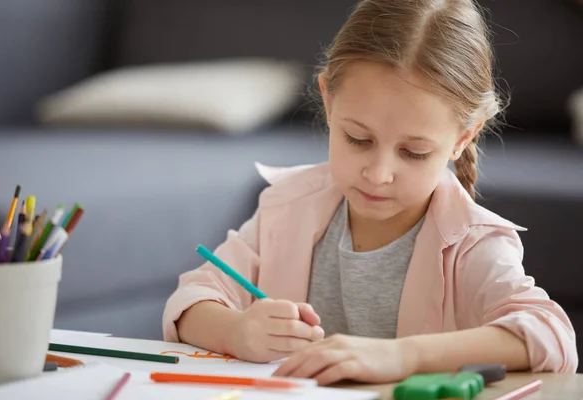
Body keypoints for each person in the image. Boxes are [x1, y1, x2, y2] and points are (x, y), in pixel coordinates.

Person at [162, 0, 578, 385]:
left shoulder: (471, 243)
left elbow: (552, 336)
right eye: (358, 139)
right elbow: (192, 299)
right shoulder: (288, 206)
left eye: (413, 152)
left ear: (462, 138)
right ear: (328, 103)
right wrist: (238, 331)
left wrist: (406, 356)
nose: (379, 175)